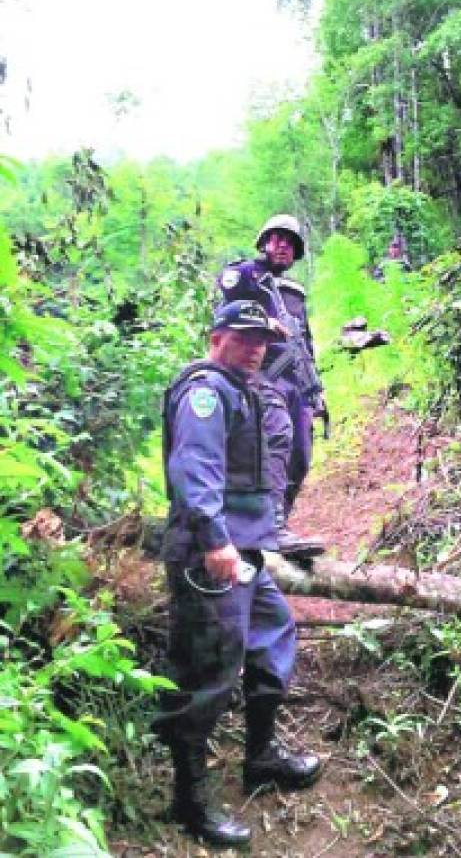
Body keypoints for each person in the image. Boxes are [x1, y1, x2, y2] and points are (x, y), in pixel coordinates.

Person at [153, 300, 321, 849]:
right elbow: (193, 468)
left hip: (242, 550)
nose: (255, 349)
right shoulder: (206, 391)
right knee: (209, 671)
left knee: (273, 638)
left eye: (262, 342)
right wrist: (214, 539)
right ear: (217, 336)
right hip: (211, 554)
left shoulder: (241, 387)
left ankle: (261, 757)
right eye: (244, 338)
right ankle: (190, 797)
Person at [217, 214, 326, 558]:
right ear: (264, 243)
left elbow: (305, 342)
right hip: (261, 375)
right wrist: (265, 321)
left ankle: (278, 524)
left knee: (301, 456)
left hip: (297, 382)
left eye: (289, 243)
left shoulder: (294, 294)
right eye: (276, 240)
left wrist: (317, 391)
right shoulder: (247, 274)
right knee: (275, 439)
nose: (282, 247)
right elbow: (228, 308)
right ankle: (270, 526)